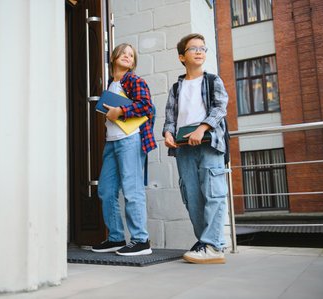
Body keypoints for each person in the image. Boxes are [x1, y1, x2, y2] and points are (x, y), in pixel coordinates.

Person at [163, 33, 229, 264]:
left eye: (203, 48)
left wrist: (202, 129)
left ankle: (213, 245)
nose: (200, 51)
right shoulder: (176, 87)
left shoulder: (213, 81)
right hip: (183, 148)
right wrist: (168, 134)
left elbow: (221, 108)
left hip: (208, 143)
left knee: (213, 192)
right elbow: (170, 116)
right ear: (182, 56)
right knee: (192, 196)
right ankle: (205, 242)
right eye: (193, 48)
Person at [91, 43, 156, 256]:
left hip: (130, 140)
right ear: (114, 57)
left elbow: (147, 106)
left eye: (131, 55)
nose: (127, 56)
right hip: (112, 141)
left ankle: (141, 240)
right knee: (106, 190)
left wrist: (121, 110)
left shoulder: (134, 81)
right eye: (123, 53)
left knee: (132, 189)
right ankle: (116, 238)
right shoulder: (110, 84)